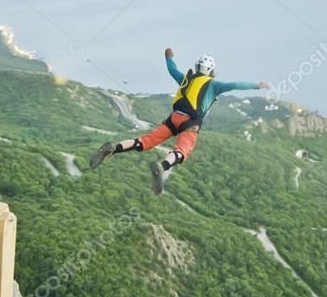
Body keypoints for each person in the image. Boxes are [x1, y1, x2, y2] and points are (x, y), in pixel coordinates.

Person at [89, 47, 270, 194]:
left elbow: (172, 70)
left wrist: (168, 56)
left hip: (173, 118)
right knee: (182, 151)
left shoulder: (186, 79)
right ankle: (163, 165)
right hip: (190, 123)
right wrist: (258, 85)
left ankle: (114, 147)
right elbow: (236, 85)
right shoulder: (214, 85)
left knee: (144, 141)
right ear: (210, 70)